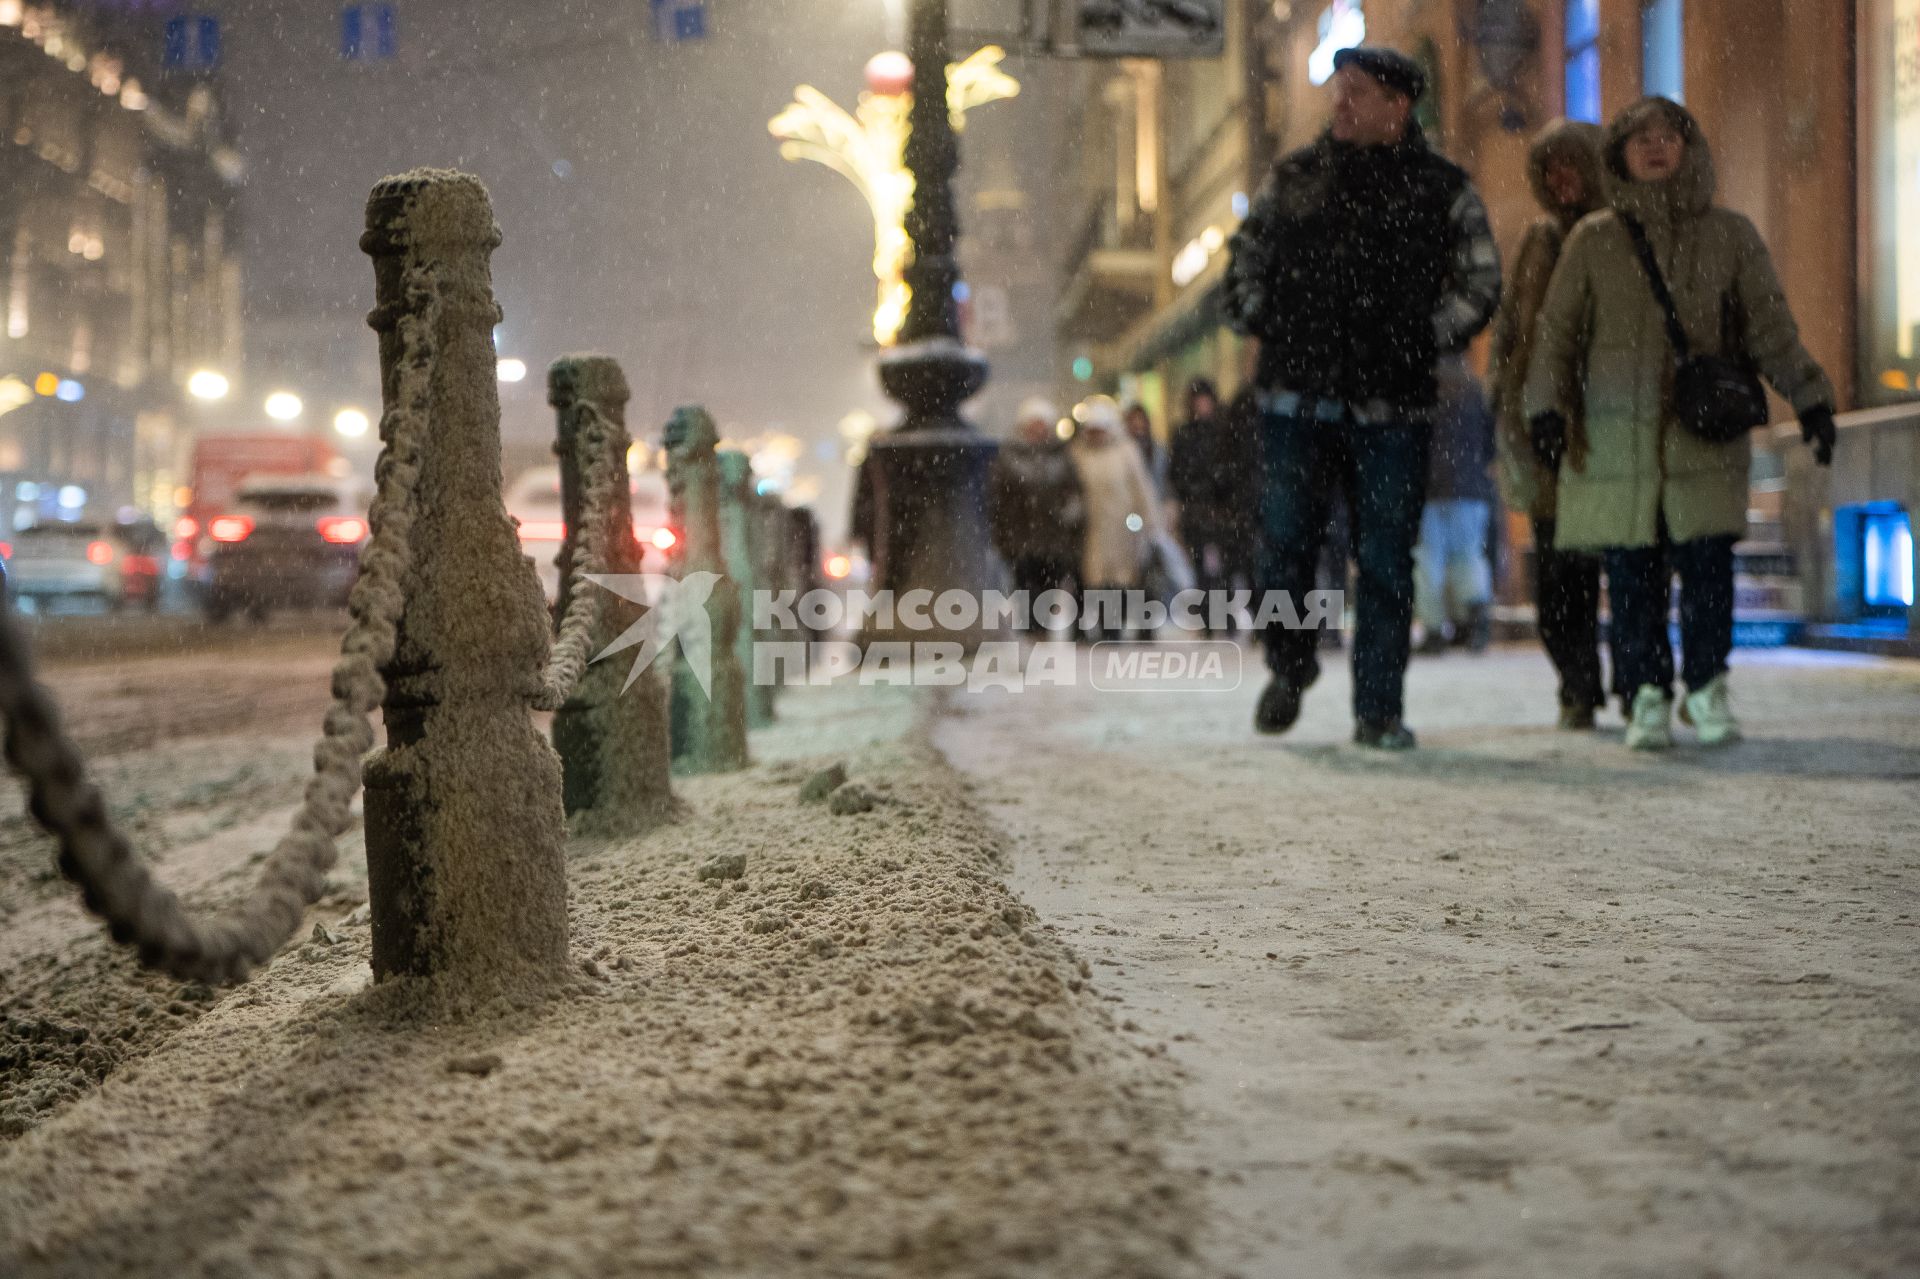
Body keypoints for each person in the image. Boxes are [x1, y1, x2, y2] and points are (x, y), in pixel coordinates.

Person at [1524, 97, 1837, 751]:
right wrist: (1545, 410)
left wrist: (1810, 398)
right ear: (1622, 155)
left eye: (1669, 135)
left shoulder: (1730, 235)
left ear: (1689, 148)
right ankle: (1645, 694)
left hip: (1703, 437)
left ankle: (1706, 685)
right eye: (1642, 139)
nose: (1657, 147)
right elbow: (1555, 337)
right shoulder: (1593, 242)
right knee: (1633, 575)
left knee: (1706, 571)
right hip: (1618, 442)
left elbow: (1770, 328)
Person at [1224, 45, 1501, 749]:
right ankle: (1289, 664)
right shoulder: (1294, 178)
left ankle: (1378, 709)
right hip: (1297, 400)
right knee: (1285, 548)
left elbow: (1480, 283)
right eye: (1337, 90)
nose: (1340, 103)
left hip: (1393, 409)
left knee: (1384, 560)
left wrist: (1420, 340)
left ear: (1396, 107)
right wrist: (1268, 319)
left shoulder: (1442, 188)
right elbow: (1242, 265)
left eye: (1356, 92)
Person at [1487, 118, 1613, 728]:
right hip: (1539, 431)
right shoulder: (1538, 240)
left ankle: (1621, 678)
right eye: (1550, 169)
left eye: (1573, 164)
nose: (1562, 180)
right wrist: (1502, 398)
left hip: (1606, 428)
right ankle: (1576, 679)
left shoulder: (1616, 233)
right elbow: (1512, 326)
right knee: (1558, 571)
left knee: (1600, 563)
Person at [1414, 355, 1496, 654]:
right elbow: (1490, 440)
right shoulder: (1474, 387)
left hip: (1427, 489)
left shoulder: (1419, 385)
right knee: (1468, 555)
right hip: (1470, 487)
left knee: (1427, 560)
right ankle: (1474, 619)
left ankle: (1434, 629)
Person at [1070, 396, 1165, 641]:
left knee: (1126, 580)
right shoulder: (1079, 454)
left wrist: (1150, 524)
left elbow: (1142, 489)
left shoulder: (1127, 452)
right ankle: (1107, 629)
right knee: (1099, 582)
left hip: (1126, 530)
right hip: (1094, 531)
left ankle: (1125, 627)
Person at [989, 396, 1084, 634]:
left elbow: (1073, 489)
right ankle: (1029, 631)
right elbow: (999, 495)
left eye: (1042, 424)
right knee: (1025, 587)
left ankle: (1043, 629)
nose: (1038, 429)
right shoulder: (1009, 455)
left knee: (1050, 588)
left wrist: (1069, 513)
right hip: (1020, 535)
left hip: (1054, 537)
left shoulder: (1062, 455)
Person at [1168, 377, 1257, 629]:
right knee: (1204, 569)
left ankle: (1225, 616)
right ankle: (1208, 617)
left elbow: (1233, 469)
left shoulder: (1225, 432)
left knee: (1229, 567)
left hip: (1223, 510)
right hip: (1199, 511)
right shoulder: (1185, 434)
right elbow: (1178, 473)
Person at [1122, 402, 1169, 497]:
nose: (1137, 424)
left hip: (1156, 500)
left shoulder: (1158, 450)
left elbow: (1165, 479)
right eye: (1133, 420)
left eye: (1140, 419)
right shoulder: (1121, 453)